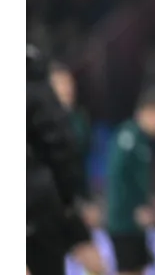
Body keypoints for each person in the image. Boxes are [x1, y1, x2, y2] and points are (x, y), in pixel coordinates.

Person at [26, 44, 105, 275]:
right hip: (45, 200)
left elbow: (76, 164)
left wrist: (82, 199)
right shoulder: (41, 112)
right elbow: (60, 156)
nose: (68, 89)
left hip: (60, 201)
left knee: (96, 265)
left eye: (70, 83)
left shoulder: (78, 120)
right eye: (60, 84)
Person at [106, 85, 155, 275]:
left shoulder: (142, 139)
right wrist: (135, 209)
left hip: (135, 223)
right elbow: (118, 177)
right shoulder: (128, 137)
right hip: (124, 223)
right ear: (152, 111)